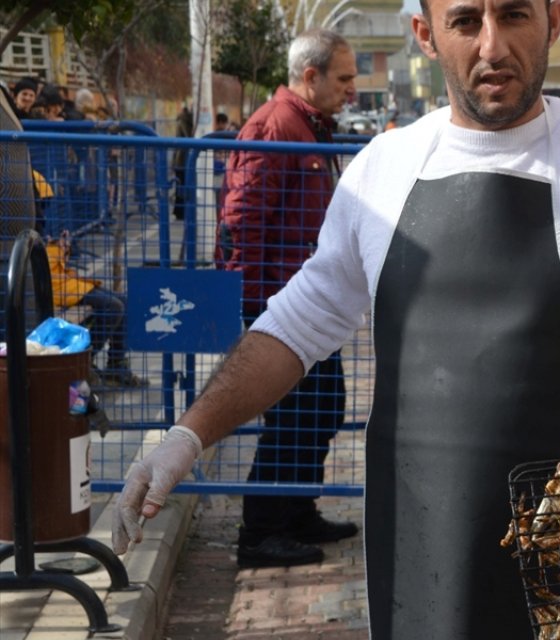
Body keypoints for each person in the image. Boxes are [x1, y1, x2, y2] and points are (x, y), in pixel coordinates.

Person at [112, 0, 560, 636]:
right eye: (466, 20)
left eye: (514, 14)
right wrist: (186, 437)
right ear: (426, 34)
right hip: (417, 557)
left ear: (554, 19)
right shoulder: (381, 172)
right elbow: (295, 325)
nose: (492, 45)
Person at [214, 29, 360, 569]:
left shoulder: (306, 126)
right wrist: (254, 311)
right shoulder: (276, 128)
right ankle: (261, 532)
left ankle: (297, 512)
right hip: (280, 303)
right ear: (310, 76)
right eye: (343, 79)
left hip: (306, 298)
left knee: (321, 409)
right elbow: (241, 222)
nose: (351, 89)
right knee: (295, 415)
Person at [47, 230, 148, 386]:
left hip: (64, 280)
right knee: (114, 307)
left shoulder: (35, 214)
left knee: (123, 301)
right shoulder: (22, 217)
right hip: (55, 286)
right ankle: (84, 358)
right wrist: (56, 246)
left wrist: (60, 245)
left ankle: (116, 364)